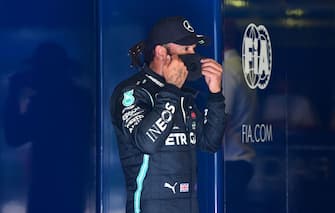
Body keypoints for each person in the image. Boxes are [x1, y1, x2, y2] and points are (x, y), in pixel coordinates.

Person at [110, 16, 227, 213]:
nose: (194, 56)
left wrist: (216, 95)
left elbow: (210, 143)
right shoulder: (132, 92)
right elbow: (147, 142)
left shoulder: (182, 95)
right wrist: (172, 89)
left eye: (194, 50)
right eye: (186, 50)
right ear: (161, 52)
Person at [3, 41, 94, 213]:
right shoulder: (80, 98)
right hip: (70, 186)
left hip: (47, 187)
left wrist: (14, 93)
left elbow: (14, 136)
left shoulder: (47, 102)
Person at [222, 19, 257, 213]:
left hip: (229, 163)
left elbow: (221, 121)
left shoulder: (227, 71)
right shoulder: (243, 68)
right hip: (240, 161)